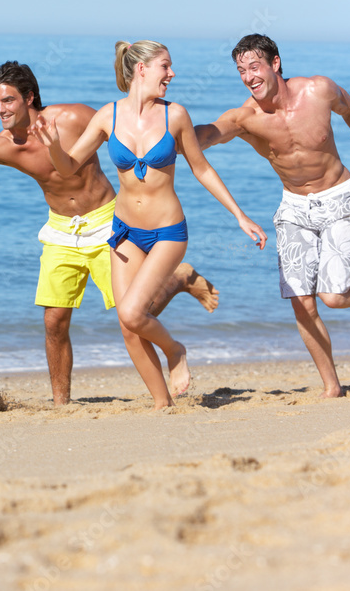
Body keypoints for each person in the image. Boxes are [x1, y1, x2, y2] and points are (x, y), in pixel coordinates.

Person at [0, 61, 220, 405]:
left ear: (29, 97)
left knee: (132, 317)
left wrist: (185, 137)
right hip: (61, 231)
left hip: (106, 221)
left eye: (7, 100)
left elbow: (134, 128)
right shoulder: (4, 146)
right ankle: (60, 404)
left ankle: (176, 283)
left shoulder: (73, 118)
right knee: (54, 320)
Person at [32, 41, 266, 410]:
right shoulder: (107, 116)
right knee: (129, 325)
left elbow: (201, 168)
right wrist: (53, 146)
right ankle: (162, 403)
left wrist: (239, 214)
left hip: (167, 232)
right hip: (125, 230)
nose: (171, 74)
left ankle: (175, 350)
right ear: (141, 69)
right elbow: (68, 166)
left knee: (131, 312)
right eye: (165, 66)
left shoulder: (175, 115)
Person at [195, 34, 350, 398]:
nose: (248, 76)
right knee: (302, 301)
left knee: (334, 296)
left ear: (275, 63)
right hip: (294, 208)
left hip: (338, 197)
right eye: (240, 71)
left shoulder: (319, 90)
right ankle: (332, 387)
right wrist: (169, 130)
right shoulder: (245, 118)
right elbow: (207, 134)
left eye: (254, 67)